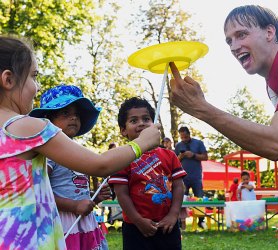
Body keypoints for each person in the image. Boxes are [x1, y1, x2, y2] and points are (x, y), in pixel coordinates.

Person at [0, 35, 160, 249]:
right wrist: (141, 142)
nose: (36, 87)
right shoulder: (28, 127)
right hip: (29, 241)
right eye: (33, 76)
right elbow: (100, 165)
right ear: (8, 79)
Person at [169, 5, 278, 162]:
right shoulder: (275, 80)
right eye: (229, 41)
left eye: (242, 35)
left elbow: (276, 143)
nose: (234, 47)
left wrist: (200, 107)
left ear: (269, 32)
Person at [29, 85, 111, 249]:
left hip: (84, 223)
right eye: (65, 113)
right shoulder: (50, 154)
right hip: (62, 224)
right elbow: (39, 191)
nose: (73, 118)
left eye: (76, 114)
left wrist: (94, 198)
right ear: (48, 120)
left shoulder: (78, 153)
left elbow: (76, 192)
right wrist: (74, 206)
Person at [108, 97, 187, 250]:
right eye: (133, 121)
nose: (141, 123)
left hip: (168, 226)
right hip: (136, 228)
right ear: (123, 130)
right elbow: (121, 194)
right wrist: (138, 220)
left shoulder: (170, 155)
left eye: (146, 119)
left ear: (154, 124)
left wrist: (173, 215)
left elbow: (178, 187)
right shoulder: (121, 158)